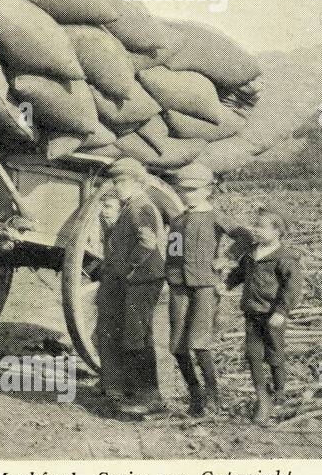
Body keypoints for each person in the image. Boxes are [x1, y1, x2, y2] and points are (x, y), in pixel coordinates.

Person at [164, 163, 247, 417]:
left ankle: (212, 397)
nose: (185, 194)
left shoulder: (216, 217)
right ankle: (195, 394)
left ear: (207, 190)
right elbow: (173, 252)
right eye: (182, 190)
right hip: (178, 286)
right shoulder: (177, 220)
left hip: (204, 286)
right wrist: (169, 275)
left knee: (199, 342)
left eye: (191, 190)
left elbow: (244, 236)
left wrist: (226, 258)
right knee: (177, 344)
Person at [96, 157, 166, 417]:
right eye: (116, 181)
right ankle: (138, 391)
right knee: (135, 335)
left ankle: (150, 398)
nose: (118, 186)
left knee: (137, 336)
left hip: (144, 278)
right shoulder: (131, 206)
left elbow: (147, 243)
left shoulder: (140, 208)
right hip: (139, 278)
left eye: (123, 181)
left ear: (137, 182)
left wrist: (129, 267)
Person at [226, 206, 303, 426]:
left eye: (261, 227)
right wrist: (227, 283)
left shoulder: (284, 258)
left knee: (275, 355)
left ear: (277, 231)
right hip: (252, 313)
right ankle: (263, 398)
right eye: (254, 225)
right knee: (252, 355)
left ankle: (279, 392)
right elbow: (240, 273)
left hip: (272, 316)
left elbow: (292, 288)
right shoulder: (252, 252)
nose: (255, 230)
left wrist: (282, 311)